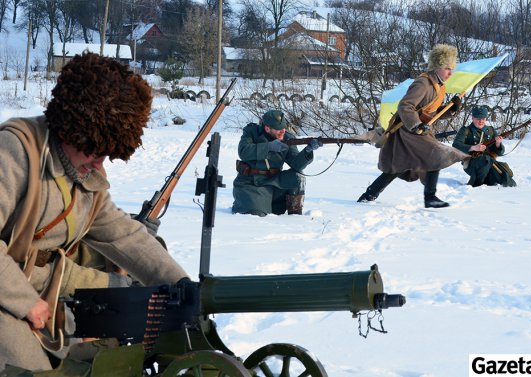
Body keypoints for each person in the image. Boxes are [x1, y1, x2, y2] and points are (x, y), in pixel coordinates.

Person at [0, 52, 189, 372]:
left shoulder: (83, 178)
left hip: (44, 281)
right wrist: (26, 302)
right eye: (94, 150)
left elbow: (125, 237)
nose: (99, 165)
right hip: (9, 289)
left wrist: (182, 286)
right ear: (71, 130)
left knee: (127, 307)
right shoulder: (16, 152)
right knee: (35, 372)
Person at [357, 44, 469, 208]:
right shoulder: (423, 83)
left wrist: (450, 109)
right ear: (437, 66)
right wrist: (416, 125)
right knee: (436, 155)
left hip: (418, 129)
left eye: (451, 69)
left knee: (398, 166)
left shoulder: (439, 86)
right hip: (408, 130)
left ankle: (369, 194)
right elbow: (405, 106)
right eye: (447, 68)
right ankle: (430, 197)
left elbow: (430, 113)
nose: (450, 73)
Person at [232, 110, 321, 216]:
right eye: (279, 129)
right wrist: (269, 147)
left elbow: (296, 164)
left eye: (284, 127)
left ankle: (295, 216)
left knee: (297, 176)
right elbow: (243, 152)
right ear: (267, 128)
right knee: (256, 216)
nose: (283, 131)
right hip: (252, 184)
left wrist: (308, 150)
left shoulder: (287, 137)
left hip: (274, 182)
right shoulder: (251, 132)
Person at [452, 106, 516, 187]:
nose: (481, 121)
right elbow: (455, 145)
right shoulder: (465, 130)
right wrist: (473, 147)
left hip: (490, 163)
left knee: (507, 180)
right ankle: (476, 184)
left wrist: (498, 144)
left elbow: (500, 153)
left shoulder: (491, 130)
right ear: (472, 118)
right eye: (478, 118)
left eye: (483, 118)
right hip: (472, 163)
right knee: (485, 159)